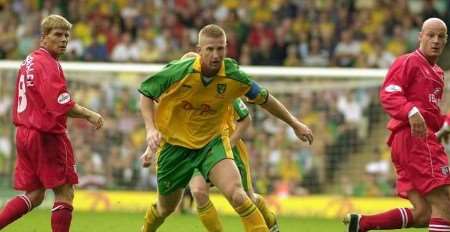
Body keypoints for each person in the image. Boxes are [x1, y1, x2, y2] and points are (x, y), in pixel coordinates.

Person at [139, 24, 313, 232]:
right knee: (165, 208)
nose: (215, 55)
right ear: (199, 50)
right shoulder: (179, 72)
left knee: (238, 195)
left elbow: (264, 99)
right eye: (210, 49)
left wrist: (294, 123)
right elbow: (146, 93)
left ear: (226, 48)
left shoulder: (233, 76)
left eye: (220, 48)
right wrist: (150, 132)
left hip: (212, 143)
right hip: (176, 146)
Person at [344, 18, 450, 232]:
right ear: (420, 36)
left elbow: (430, 114)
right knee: (445, 202)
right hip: (414, 140)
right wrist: (411, 111)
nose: (436, 40)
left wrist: (443, 125)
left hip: (410, 142)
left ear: (446, 41)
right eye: (431, 35)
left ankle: (363, 224)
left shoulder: (438, 74)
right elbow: (389, 93)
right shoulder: (408, 61)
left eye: (441, 36)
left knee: (423, 213)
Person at [0, 15, 104, 232]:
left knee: (35, 195)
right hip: (46, 135)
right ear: (43, 37)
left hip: (23, 133)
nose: (64, 39)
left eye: (67, 35)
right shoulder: (47, 63)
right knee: (65, 193)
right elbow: (60, 103)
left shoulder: (29, 60)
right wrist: (89, 114)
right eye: (57, 34)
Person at [189, 98, 279, 232]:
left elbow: (246, 119)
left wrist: (230, 143)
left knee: (244, 198)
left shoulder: (227, 87)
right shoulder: (188, 88)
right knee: (198, 191)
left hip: (230, 148)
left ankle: (270, 221)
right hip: (199, 149)